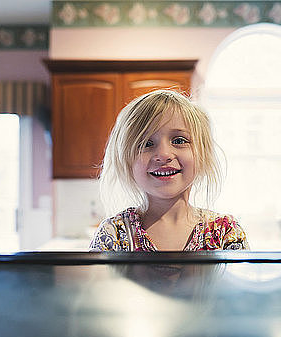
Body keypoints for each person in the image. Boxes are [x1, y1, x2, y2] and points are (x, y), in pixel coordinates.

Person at [89, 89, 248, 251]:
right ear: (125, 160)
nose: (164, 155)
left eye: (179, 140)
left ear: (203, 153)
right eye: (146, 144)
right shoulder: (114, 234)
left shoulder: (225, 233)